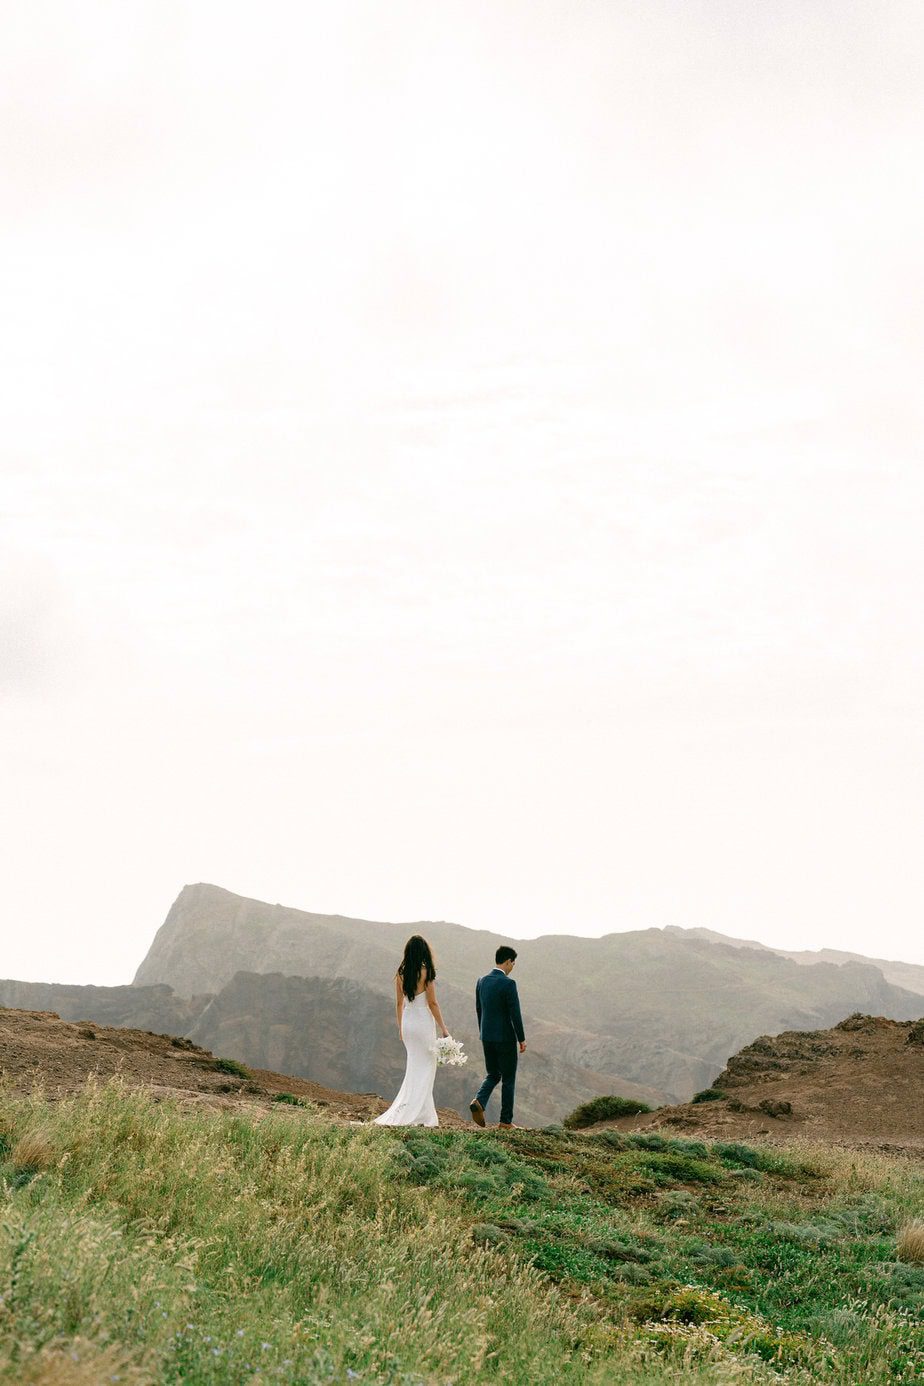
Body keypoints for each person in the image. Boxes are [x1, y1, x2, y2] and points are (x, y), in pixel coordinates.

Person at [374, 935, 450, 1127]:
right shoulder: (426, 973)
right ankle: (422, 1114)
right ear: (424, 951)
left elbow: (399, 1003)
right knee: (426, 1068)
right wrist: (444, 1028)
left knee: (414, 1067)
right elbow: (432, 1003)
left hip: (408, 1022)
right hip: (423, 1023)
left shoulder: (401, 973)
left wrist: (401, 1027)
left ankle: (417, 1111)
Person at [469, 945, 526, 1129]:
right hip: (505, 1038)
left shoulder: (481, 981)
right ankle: (505, 1122)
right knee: (508, 1079)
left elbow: (479, 1010)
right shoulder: (509, 984)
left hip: (486, 1036)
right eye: (513, 963)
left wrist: (483, 1032)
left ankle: (479, 1100)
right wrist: (521, 1038)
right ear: (508, 961)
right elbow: (515, 1014)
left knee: (493, 1074)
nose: (512, 967)